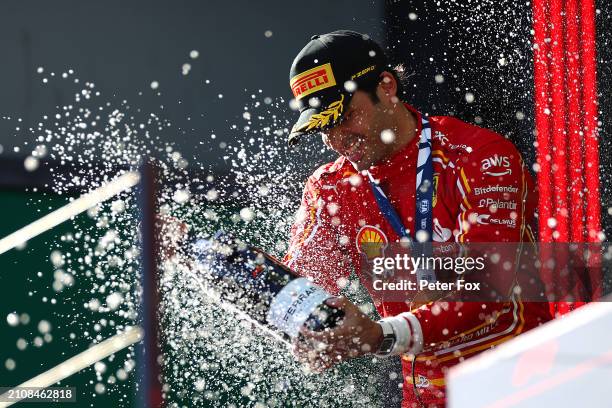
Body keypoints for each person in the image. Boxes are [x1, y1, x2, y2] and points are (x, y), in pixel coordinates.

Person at [283, 30, 552, 407]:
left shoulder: (480, 156)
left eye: (343, 115)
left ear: (386, 86)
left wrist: (379, 335)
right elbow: (299, 292)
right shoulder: (329, 190)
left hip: (529, 389)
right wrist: (305, 326)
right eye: (323, 127)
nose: (338, 138)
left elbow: (488, 295)